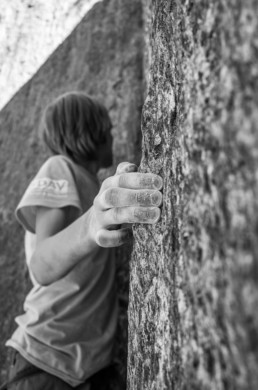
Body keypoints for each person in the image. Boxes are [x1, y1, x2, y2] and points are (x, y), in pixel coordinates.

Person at [2, 91, 163, 389]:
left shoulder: (93, 185)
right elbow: (40, 264)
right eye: (108, 129)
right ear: (91, 131)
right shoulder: (59, 167)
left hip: (89, 366)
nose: (113, 136)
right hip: (46, 356)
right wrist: (92, 222)